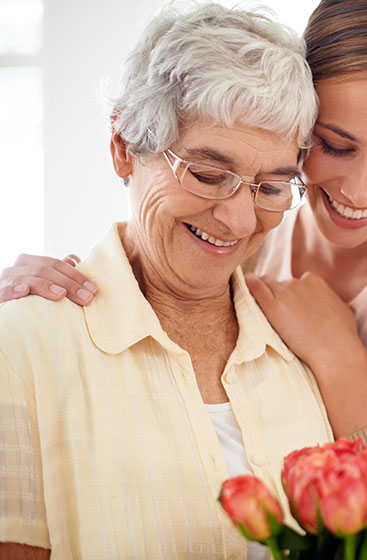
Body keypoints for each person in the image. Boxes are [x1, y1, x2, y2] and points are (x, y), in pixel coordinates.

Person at [0, 0, 367, 467]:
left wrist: (342, 366)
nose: (363, 191)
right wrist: (48, 293)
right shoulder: (246, 238)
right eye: (335, 146)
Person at [0, 4, 333, 559]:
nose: (240, 220)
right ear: (124, 146)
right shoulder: (23, 345)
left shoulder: (302, 347)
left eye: (272, 186)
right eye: (207, 174)